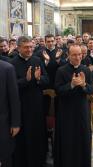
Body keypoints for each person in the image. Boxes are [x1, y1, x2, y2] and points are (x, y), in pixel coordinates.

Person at [11, 36, 49, 167]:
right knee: (23, 135)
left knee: (37, 134)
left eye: (31, 47)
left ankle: (38, 160)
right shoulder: (12, 63)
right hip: (21, 105)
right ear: (19, 48)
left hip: (37, 104)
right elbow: (11, 87)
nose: (29, 49)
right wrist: (25, 80)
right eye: (26, 47)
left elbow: (47, 80)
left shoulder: (37, 60)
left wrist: (38, 79)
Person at [54, 44, 93, 167]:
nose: (77, 57)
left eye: (79, 54)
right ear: (68, 56)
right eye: (74, 55)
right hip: (66, 110)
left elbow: (91, 89)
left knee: (82, 137)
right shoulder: (61, 70)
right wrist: (71, 85)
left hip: (82, 110)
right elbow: (58, 90)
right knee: (68, 138)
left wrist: (83, 85)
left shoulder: (86, 70)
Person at [0, 60, 21, 167]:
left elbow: (14, 98)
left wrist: (15, 123)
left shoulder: (7, 68)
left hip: (3, 123)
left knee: (4, 157)